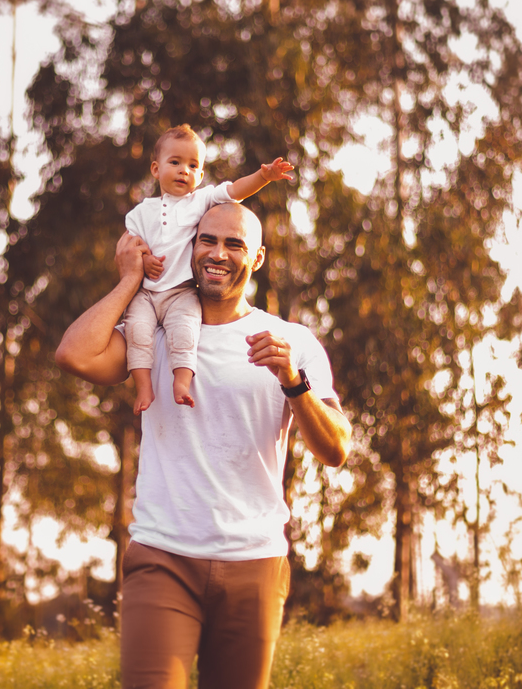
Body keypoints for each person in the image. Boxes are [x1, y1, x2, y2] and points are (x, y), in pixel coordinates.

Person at [55, 202, 351, 689]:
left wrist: (293, 383)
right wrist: (133, 281)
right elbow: (74, 354)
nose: (217, 253)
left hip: (255, 560)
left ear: (256, 258)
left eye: (234, 243)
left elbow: (337, 449)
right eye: (207, 240)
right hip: (163, 555)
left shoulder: (291, 341)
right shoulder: (155, 332)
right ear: (190, 247)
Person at [124, 124, 293, 413]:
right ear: (155, 169)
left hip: (181, 293)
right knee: (136, 331)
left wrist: (263, 177)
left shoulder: (199, 201)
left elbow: (235, 191)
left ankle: (181, 382)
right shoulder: (141, 212)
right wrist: (143, 259)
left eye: (193, 166)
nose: (183, 171)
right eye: (175, 163)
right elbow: (130, 247)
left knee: (185, 333)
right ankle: (143, 388)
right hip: (147, 294)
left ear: (201, 176)